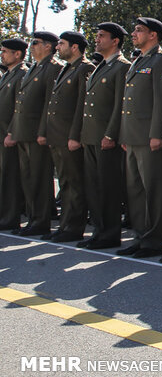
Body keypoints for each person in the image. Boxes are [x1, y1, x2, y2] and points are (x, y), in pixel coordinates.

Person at [117, 17, 162, 258]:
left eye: (139, 30)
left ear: (153, 35)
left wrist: (156, 134)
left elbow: (161, 101)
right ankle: (140, 236)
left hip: (149, 137)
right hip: (132, 136)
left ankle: (152, 241)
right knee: (136, 190)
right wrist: (123, 134)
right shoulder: (138, 60)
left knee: (153, 191)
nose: (133, 34)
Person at [78, 23, 130, 250]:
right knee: (94, 186)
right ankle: (98, 231)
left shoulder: (121, 67)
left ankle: (109, 233)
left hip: (106, 138)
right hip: (91, 135)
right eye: (97, 36)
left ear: (115, 41)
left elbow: (120, 105)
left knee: (108, 188)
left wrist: (111, 134)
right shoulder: (101, 66)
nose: (97, 40)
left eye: (102, 36)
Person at [7, 31, 63, 236]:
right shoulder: (35, 68)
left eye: (35, 43)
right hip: (24, 132)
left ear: (48, 46)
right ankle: (32, 219)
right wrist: (13, 130)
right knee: (28, 179)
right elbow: (20, 105)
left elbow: (50, 103)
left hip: (36, 134)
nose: (31, 46)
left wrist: (43, 131)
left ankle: (40, 221)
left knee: (39, 180)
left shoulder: (53, 68)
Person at [41, 32, 95, 243]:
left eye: (62, 44)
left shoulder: (85, 68)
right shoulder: (67, 68)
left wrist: (75, 136)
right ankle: (65, 225)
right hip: (58, 135)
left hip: (69, 137)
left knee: (74, 184)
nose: (58, 47)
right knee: (64, 184)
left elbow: (82, 105)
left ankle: (73, 227)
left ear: (75, 47)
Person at [0, 39, 28, 231]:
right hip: (2, 133)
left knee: (10, 177)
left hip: (9, 134)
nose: (2, 54)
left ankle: (10, 217)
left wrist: (12, 132)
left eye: (5, 51)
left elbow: (20, 108)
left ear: (17, 54)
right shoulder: (8, 75)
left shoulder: (22, 74)